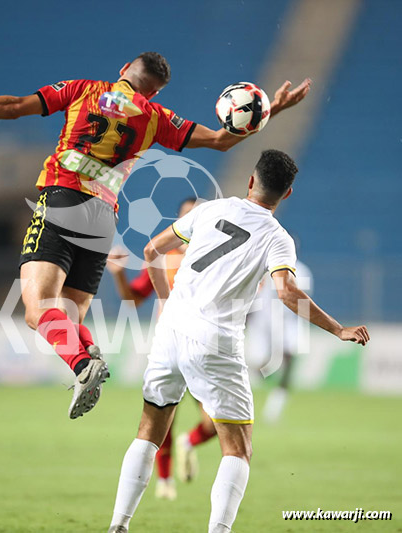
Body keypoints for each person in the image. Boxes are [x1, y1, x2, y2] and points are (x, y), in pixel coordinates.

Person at [0, 52, 311, 419]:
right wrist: (268, 109)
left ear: (124, 68)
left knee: (38, 310)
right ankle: (87, 356)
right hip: (103, 216)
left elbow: (14, 107)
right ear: (154, 91)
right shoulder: (156, 116)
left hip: (63, 196)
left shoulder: (83, 90)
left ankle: (84, 365)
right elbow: (222, 140)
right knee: (69, 316)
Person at [107, 149, 369, 533]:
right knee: (238, 446)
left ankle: (118, 525)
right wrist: (338, 329)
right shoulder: (277, 238)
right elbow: (287, 292)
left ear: (250, 180)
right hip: (215, 340)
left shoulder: (208, 209)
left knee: (149, 430)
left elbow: (151, 251)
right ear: (288, 194)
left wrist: (166, 299)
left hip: (170, 332)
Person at [107, 197, 217, 500]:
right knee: (162, 416)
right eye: (188, 216)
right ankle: (165, 481)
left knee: (216, 422)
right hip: (170, 347)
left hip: (206, 349)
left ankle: (189, 443)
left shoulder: (219, 258)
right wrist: (118, 273)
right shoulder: (163, 258)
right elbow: (133, 299)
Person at [247, 258, 314, 423]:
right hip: (263, 321)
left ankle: (275, 407)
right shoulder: (264, 269)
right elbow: (254, 295)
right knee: (258, 364)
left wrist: (302, 321)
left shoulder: (302, 271)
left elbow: (304, 300)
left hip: (289, 322)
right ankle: (247, 400)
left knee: (289, 362)